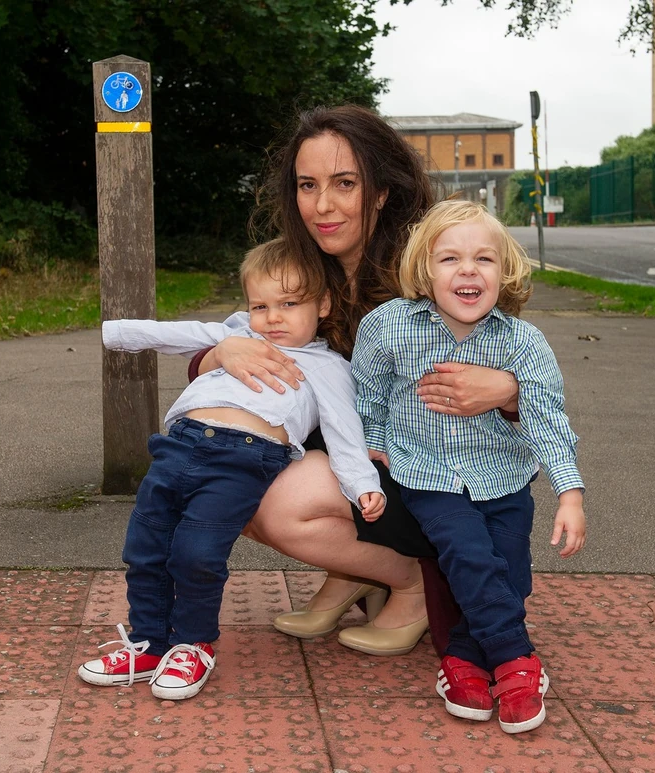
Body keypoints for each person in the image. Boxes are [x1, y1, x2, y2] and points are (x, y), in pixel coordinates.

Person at [188, 105, 521, 658]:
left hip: (434, 480)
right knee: (211, 469)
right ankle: (354, 569)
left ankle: (412, 581)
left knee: (268, 495)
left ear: (383, 192)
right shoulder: (302, 268)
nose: (323, 205)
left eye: (345, 184)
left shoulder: (432, 272)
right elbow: (239, 346)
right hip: (358, 469)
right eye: (307, 185)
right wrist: (218, 353)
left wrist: (506, 392)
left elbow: (520, 369)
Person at [78, 238, 385, 700]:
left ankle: (193, 644)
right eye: (260, 305)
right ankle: (148, 643)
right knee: (145, 548)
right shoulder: (239, 336)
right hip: (175, 448)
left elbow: (345, 432)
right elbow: (181, 335)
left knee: (196, 553)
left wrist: (362, 484)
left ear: (323, 304)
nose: (272, 317)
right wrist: (118, 332)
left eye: (289, 303)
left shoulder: (328, 367)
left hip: (243, 458)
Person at [350, 200, 586, 734]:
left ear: (504, 273)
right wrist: (375, 445)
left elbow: (547, 416)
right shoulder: (388, 327)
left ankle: (462, 659)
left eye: (484, 259)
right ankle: (516, 661)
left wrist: (569, 493)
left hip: (505, 477)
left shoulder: (522, 342)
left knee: (511, 573)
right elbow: (369, 394)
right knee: (470, 555)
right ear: (424, 270)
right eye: (450, 258)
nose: (468, 270)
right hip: (429, 476)